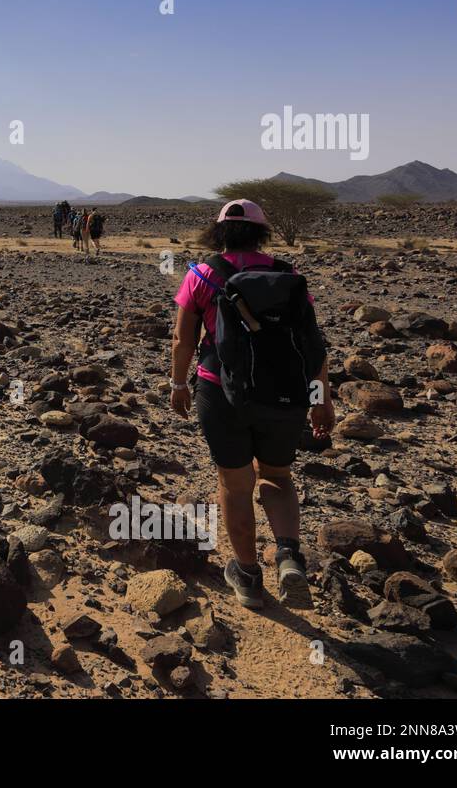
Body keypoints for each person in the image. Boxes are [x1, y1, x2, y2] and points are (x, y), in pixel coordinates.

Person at [169, 199, 334, 608]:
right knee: (277, 476)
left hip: (221, 392)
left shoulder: (202, 275)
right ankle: (288, 555)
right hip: (285, 393)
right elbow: (312, 344)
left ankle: (247, 576)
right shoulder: (288, 275)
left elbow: (182, 340)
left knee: (235, 484)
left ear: (219, 232)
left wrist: (177, 384)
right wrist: (321, 399)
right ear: (262, 232)